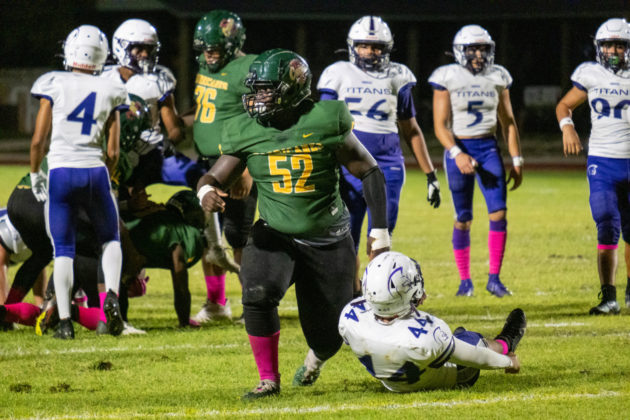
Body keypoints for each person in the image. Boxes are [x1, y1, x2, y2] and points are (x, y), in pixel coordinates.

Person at [197, 49, 390, 399]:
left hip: (328, 239)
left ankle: (320, 353)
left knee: (328, 339)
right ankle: (268, 380)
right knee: (256, 294)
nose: (256, 98)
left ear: (292, 88)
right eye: (255, 90)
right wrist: (206, 191)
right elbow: (213, 175)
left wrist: (380, 231)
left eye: (266, 90)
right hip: (275, 232)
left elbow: (370, 170)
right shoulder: (247, 128)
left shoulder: (325, 119)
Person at [318, 16, 440, 291]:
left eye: (376, 47)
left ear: (387, 48)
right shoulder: (337, 73)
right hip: (347, 165)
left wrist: (430, 174)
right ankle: (351, 292)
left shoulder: (398, 75)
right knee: (345, 237)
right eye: (363, 46)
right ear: (353, 46)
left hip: (387, 166)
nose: (370, 52)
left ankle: (376, 296)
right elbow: (323, 124)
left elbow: (412, 130)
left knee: (381, 236)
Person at [29, 25, 128, 339]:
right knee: (110, 239)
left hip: (60, 170)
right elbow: (113, 150)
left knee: (63, 249)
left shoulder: (53, 81)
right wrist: (106, 175)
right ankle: (110, 295)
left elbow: (37, 141)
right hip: (94, 171)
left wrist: (34, 173)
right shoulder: (111, 88)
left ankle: (65, 322)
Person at [339, 251, 526, 392]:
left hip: (390, 383)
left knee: (448, 342)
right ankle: (505, 342)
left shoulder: (350, 316)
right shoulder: (429, 335)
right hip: (443, 376)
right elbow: (475, 357)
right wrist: (508, 363)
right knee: (469, 340)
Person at [429, 25, 523, 298]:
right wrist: (458, 153)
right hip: (458, 147)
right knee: (464, 217)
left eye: (483, 49)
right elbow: (439, 126)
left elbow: (509, 123)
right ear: (461, 51)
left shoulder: (497, 76)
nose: (479, 55)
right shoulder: (447, 76)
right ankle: (465, 280)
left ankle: (494, 278)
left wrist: (517, 159)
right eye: (473, 49)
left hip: (488, 148)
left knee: (499, 212)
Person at [187, 10, 259, 323]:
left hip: (235, 163)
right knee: (208, 235)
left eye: (213, 49)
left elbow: (259, 120)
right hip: (206, 163)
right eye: (204, 50)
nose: (207, 55)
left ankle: (253, 305)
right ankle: (217, 302)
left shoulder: (248, 68)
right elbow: (209, 109)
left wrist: (247, 168)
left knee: (239, 236)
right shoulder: (205, 65)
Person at [556, 17, 630, 314]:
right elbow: (564, 104)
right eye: (608, 45)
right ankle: (608, 296)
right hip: (602, 159)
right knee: (606, 222)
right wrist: (567, 127)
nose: (613, 51)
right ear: (599, 47)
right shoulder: (590, 73)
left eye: (620, 45)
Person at [102, 18, 205, 191]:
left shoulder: (159, 78)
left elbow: (173, 128)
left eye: (148, 49)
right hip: (114, 150)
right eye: (138, 48)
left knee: (201, 180)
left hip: (150, 151)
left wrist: (169, 143)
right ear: (121, 47)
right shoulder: (104, 78)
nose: (144, 54)